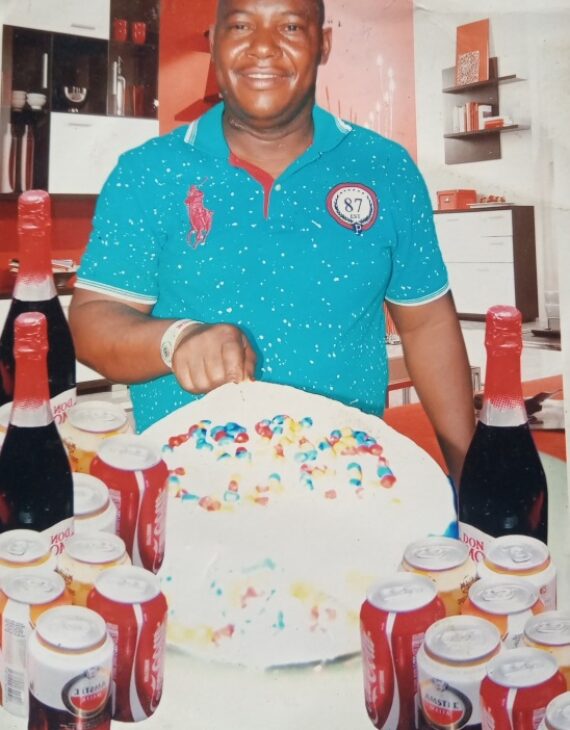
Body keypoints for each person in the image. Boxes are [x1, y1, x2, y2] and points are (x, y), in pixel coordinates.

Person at [69, 0, 475, 487]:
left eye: (290, 26)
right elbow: (92, 320)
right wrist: (175, 339)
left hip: (350, 487)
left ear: (323, 44)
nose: (263, 47)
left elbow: (427, 324)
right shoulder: (148, 172)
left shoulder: (386, 169)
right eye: (241, 25)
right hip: (186, 491)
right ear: (214, 42)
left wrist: (470, 475)